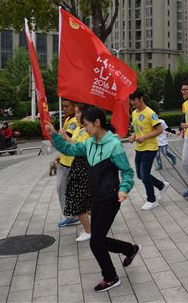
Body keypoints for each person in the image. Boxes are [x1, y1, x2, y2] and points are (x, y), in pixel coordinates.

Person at [47, 107, 140, 292]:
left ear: (97, 123)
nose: (85, 129)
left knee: (95, 241)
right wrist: (54, 134)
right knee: (99, 239)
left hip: (110, 199)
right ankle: (130, 249)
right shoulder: (89, 143)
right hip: (96, 199)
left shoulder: (113, 145)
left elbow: (128, 172)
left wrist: (123, 189)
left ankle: (111, 277)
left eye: (87, 125)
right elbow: (68, 148)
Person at [128, 90, 169, 211]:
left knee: (145, 174)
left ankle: (152, 200)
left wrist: (144, 137)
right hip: (139, 148)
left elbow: (159, 130)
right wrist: (134, 136)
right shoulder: (135, 113)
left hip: (150, 148)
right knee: (140, 175)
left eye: (134, 100)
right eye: (131, 101)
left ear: (141, 99)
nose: (132, 103)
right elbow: (138, 130)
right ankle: (161, 185)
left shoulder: (150, 113)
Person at [61, 103, 92, 242]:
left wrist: (65, 138)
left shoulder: (87, 130)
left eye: (78, 112)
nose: (76, 115)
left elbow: (81, 148)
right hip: (77, 166)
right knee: (84, 201)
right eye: (76, 113)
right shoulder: (80, 129)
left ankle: (88, 231)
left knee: (78, 200)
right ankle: (91, 227)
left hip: (83, 167)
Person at [56, 99, 81, 227]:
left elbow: (67, 142)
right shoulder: (67, 119)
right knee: (64, 189)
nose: (64, 109)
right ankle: (73, 216)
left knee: (65, 190)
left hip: (71, 163)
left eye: (66, 106)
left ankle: (73, 217)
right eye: (63, 106)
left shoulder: (74, 122)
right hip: (64, 161)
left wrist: (55, 136)